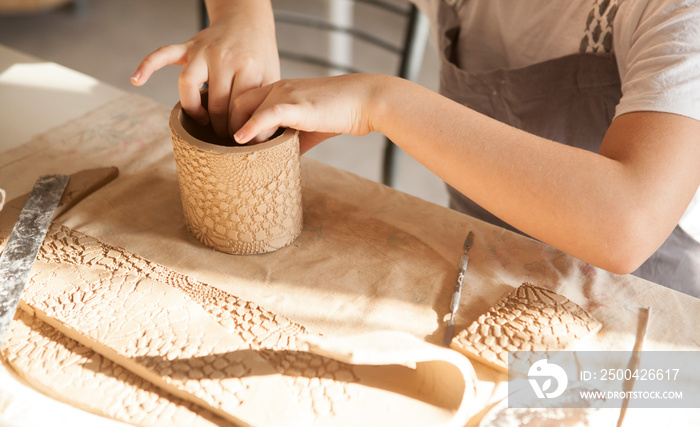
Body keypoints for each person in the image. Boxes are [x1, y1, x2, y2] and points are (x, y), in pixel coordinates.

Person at [132, 0, 700, 297]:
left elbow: (626, 223)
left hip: (658, 330)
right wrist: (240, 15)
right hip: (488, 271)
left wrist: (381, 102)